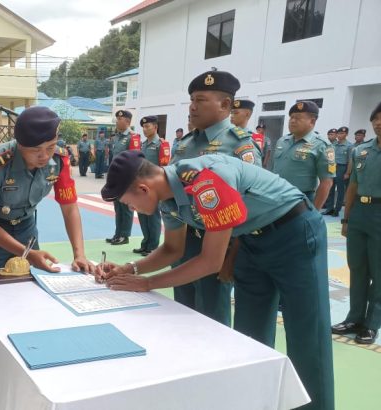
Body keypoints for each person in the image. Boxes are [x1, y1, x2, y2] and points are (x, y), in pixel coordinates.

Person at [97, 151, 334, 410]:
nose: (132, 209)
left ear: (144, 188)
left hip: (294, 233)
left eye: (129, 203)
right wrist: (129, 269)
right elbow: (172, 249)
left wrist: (148, 283)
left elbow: (211, 262)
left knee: (307, 334)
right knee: (249, 335)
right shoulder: (168, 198)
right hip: (250, 242)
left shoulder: (207, 181)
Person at [169, 69, 262, 326]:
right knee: (181, 311)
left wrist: (233, 253)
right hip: (183, 238)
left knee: (211, 316)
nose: (192, 107)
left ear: (225, 104)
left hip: (218, 243)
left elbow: (250, 203)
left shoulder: (239, 144)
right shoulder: (185, 143)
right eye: (191, 100)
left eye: (200, 100)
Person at [0, 106, 94, 274]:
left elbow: (70, 208)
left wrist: (79, 255)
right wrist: (29, 254)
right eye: (35, 150)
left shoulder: (60, 161)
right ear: (20, 144)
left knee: (31, 288)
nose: (44, 156)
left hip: (26, 229)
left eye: (50, 147)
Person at [333, 100, 381, 345]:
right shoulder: (361, 150)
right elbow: (352, 186)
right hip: (359, 215)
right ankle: (354, 318)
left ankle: (371, 324)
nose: (378, 123)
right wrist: (346, 218)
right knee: (357, 269)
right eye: (375, 119)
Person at [272, 101, 335, 208]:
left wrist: (315, 211)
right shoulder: (282, 141)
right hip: (276, 197)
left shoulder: (322, 145)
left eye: (298, 118)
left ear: (312, 121)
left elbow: (327, 182)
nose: (292, 121)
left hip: (300, 201)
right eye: (291, 117)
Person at [134, 116, 169, 256]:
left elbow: (164, 166)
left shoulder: (161, 144)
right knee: (143, 215)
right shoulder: (143, 144)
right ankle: (146, 243)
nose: (144, 129)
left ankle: (153, 247)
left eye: (147, 126)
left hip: (154, 186)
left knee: (153, 216)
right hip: (141, 185)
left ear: (155, 127)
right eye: (143, 127)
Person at [106, 109, 141, 245]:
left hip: (126, 177)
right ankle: (118, 233)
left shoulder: (133, 137)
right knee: (118, 207)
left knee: (125, 207)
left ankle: (125, 235)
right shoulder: (116, 137)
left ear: (127, 121)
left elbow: (135, 159)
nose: (117, 121)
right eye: (117, 119)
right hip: (116, 176)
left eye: (120, 119)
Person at [323, 126, 353, 216]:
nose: (340, 135)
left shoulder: (349, 146)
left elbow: (350, 161)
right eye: (339, 133)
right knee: (330, 189)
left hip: (342, 168)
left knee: (340, 190)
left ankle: (337, 210)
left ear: (346, 134)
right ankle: (329, 208)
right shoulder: (334, 144)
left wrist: (347, 173)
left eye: (342, 133)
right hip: (332, 168)